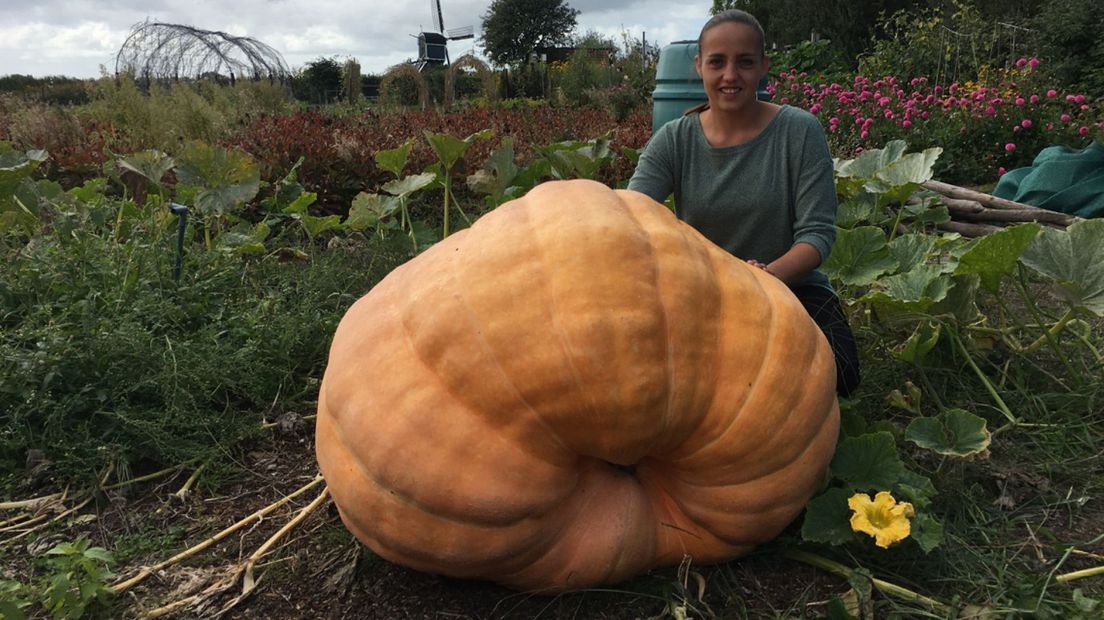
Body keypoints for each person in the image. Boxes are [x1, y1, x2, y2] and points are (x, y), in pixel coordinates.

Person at [627, 9, 860, 396]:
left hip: (788, 286)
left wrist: (764, 278)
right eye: (717, 62)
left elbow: (816, 236)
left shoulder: (799, 131)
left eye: (745, 62)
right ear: (699, 65)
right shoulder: (674, 139)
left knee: (841, 375)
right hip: (701, 294)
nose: (730, 75)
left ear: (764, 66)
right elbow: (631, 215)